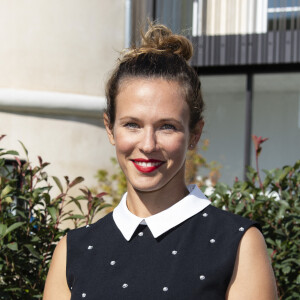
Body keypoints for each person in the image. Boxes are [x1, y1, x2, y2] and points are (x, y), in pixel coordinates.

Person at [43, 24, 277, 300]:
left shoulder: (238, 243)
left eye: (167, 126)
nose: (148, 144)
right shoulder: (73, 250)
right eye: (132, 124)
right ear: (110, 129)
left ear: (195, 133)